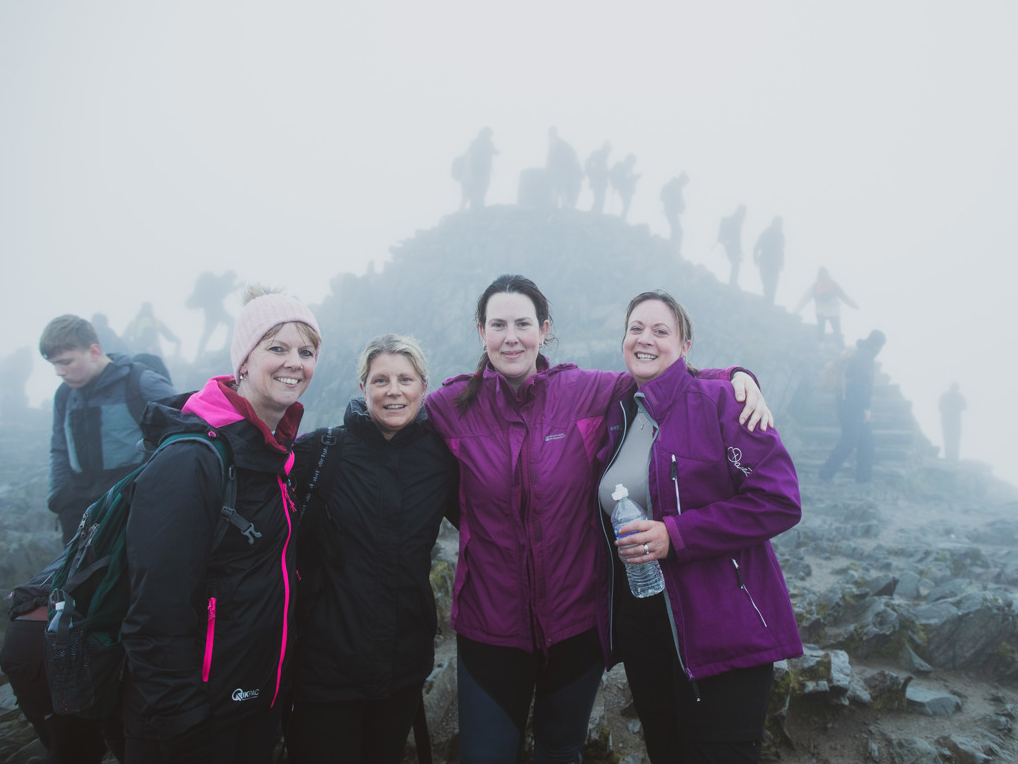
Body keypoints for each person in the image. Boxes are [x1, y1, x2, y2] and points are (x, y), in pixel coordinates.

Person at [422, 274, 771, 763]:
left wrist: (738, 375)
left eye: (523, 323)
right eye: (497, 324)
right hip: (490, 623)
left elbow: (665, 375)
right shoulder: (450, 407)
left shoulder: (585, 391)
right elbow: (392, 413)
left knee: (561, 751)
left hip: (576, 623)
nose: (511, 336)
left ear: (544, 329)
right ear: (481, 331)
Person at [595, 290, 802, 763]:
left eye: (660, 331)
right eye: (635, 329)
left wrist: (676, 535)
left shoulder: (725, 401)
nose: (645, 339)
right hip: (646, 624)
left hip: (723, 625)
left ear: (685, 345)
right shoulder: (621, 411)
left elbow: (779, 500)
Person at [120, 287, 320, 764]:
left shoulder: (275, 455)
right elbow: (152, 613)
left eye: (306, 351)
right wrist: (183, 721)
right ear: (243, 362)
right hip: (195, 725)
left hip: (250, 707)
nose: (294, 362)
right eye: (277, 348)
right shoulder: (193, 459)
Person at [286, 334, 459, 764]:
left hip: (402, 667)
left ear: (424, 386)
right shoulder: (319, 454)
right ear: (362, 387)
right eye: (380, 380)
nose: (394, 390)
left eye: (406, 379)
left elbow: (494, 524)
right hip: (323, 670)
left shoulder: (441, 460)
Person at [40, 315, 175, 542]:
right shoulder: (64, 395)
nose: (59, 372)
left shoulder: (140, 383)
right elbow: (59, 448)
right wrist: (60, 499)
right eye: (54, 364)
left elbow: (188, 434)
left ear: (94, 351)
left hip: (134, 503)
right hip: (80, 509)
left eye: (65, 362)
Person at [1, 551, 126, 763]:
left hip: (19, 638)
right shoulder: (136, 537)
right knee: (92, 743)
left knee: (66, 750)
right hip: (63, 641)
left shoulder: (87, 537)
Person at [818, 330, 886, 484]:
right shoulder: (865, 356)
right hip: (852, 404)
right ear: (878, 345)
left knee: (866, 440)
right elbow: (863, 383)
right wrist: (866, 407)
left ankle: (863, 480)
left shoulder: (860, 353)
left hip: (847, 402)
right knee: (851, 439)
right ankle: (825, 474)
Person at [793, 267, 859, 345]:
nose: (823, 277)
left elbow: (843, 296)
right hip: (821, 310)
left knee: (837, 331)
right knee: (821, 329)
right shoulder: (815, 287)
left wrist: (854, 305)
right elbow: (805, 298)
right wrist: (796, 310)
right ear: (819, 276)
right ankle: (821, 346)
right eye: (821, 275)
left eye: (824, 274)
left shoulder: (833, 285)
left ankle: (841, 348)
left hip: (833, 310)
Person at [187, 271, 242, 358]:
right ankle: (226, 345)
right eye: (232, 279)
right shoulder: (219, 284)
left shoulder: (218, 283)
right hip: (215, 310)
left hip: (212, 311)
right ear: (229, 277)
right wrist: (237, 286)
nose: (232, 281)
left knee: (208, 332)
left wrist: (236, 287)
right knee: (230, 323)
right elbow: (224, 292)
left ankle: (199, 353)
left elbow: (224, 292)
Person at [457, 127, 499, 210]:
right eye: (489, 135)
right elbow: (482, 154)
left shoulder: (476, 143)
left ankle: (475, 206)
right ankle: (477, 206)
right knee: (479, 188)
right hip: (479, 171)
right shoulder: (483, 143)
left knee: (477, 189)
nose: (489, 137)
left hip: (478, 170)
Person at [545, 127, 583, 209]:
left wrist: (547, 166)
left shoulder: (553, 141)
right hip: (564, 168)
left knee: (554, 186)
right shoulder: (562, 143)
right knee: (563, 187)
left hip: (556, 168)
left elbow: (550, 155)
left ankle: (554, 204)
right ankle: (564, 205)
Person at [753, 216, 785, 305]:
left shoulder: (781, 236)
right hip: (765, 262)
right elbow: (757, 246)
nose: (779, 227)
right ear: (773, 223)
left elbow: (781, 250)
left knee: (774, 283)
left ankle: (770, 302)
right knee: (766, 281)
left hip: (775, 264)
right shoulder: (765, 233)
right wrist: (755, 258)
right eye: (778, 224)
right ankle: (768, 299)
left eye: (780, 225)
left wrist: (782, 263)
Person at [717, 205, 747, 287]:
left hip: (730, 245)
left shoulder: (735, 220)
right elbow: (736, 237)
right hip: (731, 246)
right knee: (736, 264)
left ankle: (733, 282)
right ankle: (733, 283)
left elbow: (737, 238)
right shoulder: (736, 221)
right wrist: (739, 249)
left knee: (736, 264)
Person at [939, 382, 967, 462]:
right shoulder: (957, 396)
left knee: (951, 439)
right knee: (951, 439)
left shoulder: (947, 395)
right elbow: (940, 407)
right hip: (950, 421)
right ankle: (951, 458)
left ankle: (952, 458)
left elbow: (965, 406)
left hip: (951, 421)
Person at [660, 172, 688, 250]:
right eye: (685, 182)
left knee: (676, 230)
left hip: (672, 212)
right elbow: (662, 196)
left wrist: (682, 206)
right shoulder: (673, 185)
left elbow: (679, 201)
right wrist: (668, 202)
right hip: (670, 212)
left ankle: (673, 248)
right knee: (678, 231)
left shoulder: (677, 187)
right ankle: (674, 249)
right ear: (682, 179)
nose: (685, 185)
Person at [608, 154, 640, 219]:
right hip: (624, 188)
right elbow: (627, 179)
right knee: (627, 205)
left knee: (627, 205)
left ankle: (622, 219)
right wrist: (635, 177)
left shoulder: (625, 167)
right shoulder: (625, 167)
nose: (633, 164)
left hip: (624, 188)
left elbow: (628, 178)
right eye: (633, 162)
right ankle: (622, 220)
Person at [585, 142, 612, 214]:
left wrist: (607, 173)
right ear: (605, 148)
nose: (609, 153)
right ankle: (595, 213)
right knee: (599, 198)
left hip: (600, 181)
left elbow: (596, 167)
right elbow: (594, 167)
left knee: (599, 198)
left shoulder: (602, 158)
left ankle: (596, 213)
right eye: (608, 150)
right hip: (598, 181)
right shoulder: (598, 156)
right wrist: (604, 172)